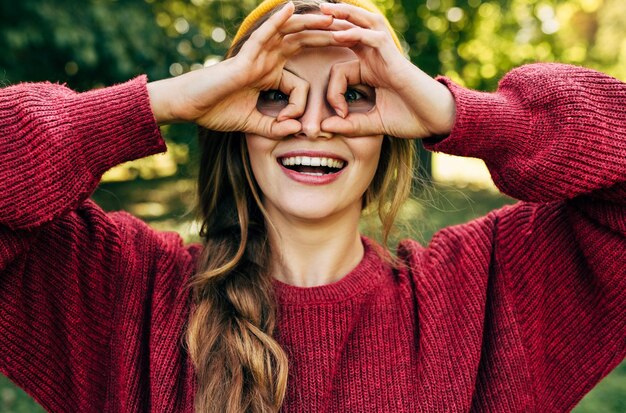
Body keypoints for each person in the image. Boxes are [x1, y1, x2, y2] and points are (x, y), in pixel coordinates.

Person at [1, 0, 625, 411]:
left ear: (395, 123)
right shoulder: (124, 291)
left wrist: (463, 114)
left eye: (355, 96)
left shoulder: (484, 294)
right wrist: (158, 102)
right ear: (229, 117)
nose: (315, 124)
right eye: (274, 95)